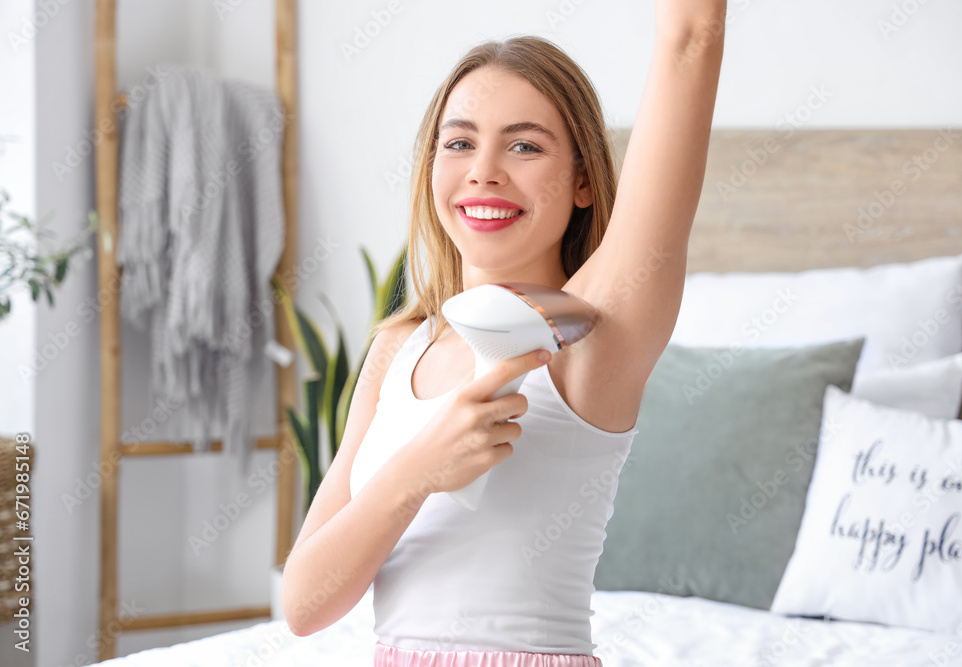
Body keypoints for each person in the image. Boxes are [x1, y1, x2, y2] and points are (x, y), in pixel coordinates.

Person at [282, 1, 726, 664]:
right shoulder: (397, 349)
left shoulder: (592, 334)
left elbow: (690, 40)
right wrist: (416, 471)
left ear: (581, 179)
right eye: (459, 142)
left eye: (524, 145)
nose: (484, 169)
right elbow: (304, 605)